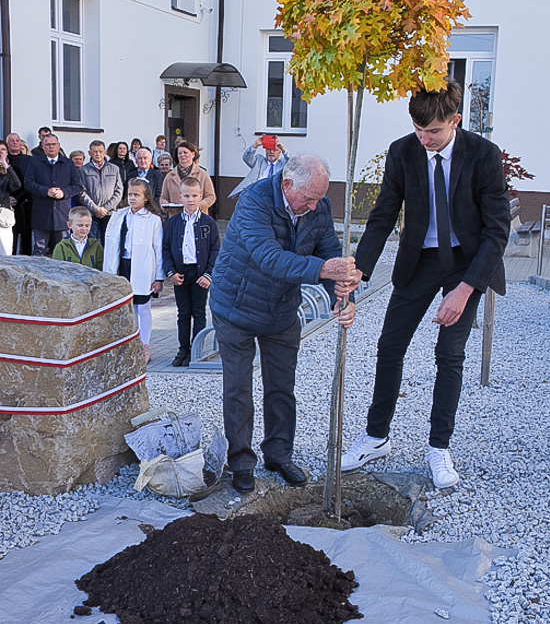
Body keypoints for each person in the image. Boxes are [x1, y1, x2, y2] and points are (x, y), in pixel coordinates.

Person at [338, 80, 510, 489]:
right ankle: (376, 437)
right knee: (389, 346)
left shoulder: (484, 155)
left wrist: (466, 289)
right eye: (418, 130)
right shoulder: (403, 152)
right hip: (418, 261)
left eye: (432, 131)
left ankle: (438, 448)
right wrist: (359, 269)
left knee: (449, 356)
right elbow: (382, 215)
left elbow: (497, 231)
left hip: (465, 264)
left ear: (455, 120)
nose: (424, 139)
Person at [210, 153, 357, 494]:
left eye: (320, 199)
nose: (314, 205)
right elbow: (269, 258)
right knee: (238, 390)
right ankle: (241, 462)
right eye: (308, 198)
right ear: (287, 184)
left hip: (281, 310)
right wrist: (323, 270)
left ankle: (278, 454)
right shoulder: (253, 202)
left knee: (281, 388)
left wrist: (343, 297)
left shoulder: (315, 207)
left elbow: (329, 253)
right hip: (235, 307)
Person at [103, 178, 164, 364]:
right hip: (123, 264)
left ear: (146, 198)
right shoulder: (119, 215)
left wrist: (159, 277)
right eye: (130, 194)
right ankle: (129, 344)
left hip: (143, 267)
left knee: (142, 307)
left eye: (136, 195)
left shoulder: (153, 220)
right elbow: (111, 244)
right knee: (125, 308)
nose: (132, 198)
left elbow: (158, 248)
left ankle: (145, 344)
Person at [163, 177, 220, 367]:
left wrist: (208, 275)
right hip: (181, 273)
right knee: (183, 313)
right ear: (180, 197)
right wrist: (170, 271)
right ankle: (183, 349)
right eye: (186, 196)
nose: (191, 200)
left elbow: (215, 250)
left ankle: (196, 350)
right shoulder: (173, 223)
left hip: (200, 274)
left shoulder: (208, 223)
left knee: (199, 313)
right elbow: (166, 249)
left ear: (201, 196)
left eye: (194, 196)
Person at [24, 133, 82, 256]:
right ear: (43, 147)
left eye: (53, 144)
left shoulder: (68, 163)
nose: (51, 147)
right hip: (41, 215)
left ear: (58, 146)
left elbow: (77, 186)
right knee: (39, 251)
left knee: (63, 251)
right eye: (48, 144)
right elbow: (28, 183)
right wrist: (46, 191)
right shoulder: (35, 162)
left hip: (62, 216)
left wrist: (64, 193)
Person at [78, 140, 123, 242]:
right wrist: (96, 209)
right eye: (94, 152)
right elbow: (81, 192)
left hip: (109, 213)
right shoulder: (83, 170)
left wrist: (105, 208)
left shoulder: (114, 169)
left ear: (105, 152)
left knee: (108, 241)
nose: (97, 154)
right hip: (91, 213)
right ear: (90, 153)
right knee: (91, 242)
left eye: (100, 151)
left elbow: (119, 191)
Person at [160, 141, 216, 216]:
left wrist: (198, 205)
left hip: (197, 217)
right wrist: (164, 203)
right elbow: (163, 197)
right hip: (176, 217)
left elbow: (211, 197)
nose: (182, 155)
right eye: (180, 153)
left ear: (193, 154)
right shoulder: (169, 176)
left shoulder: (203, 174)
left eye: (185, 152)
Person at [6, 132, 32, 254]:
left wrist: (19, 199)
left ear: (21, 143)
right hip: (7, 203)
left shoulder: (30, 160)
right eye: (12, 141)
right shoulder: (4, 161)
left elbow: (30, 181)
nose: (15, 142)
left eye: (17, 140)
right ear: (7, 144)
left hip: (26, 203)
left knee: (26, 237)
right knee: (10, 237)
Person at [0, 139, 21, 256]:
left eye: (3, 150)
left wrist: (5, 165)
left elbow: (16, 185)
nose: (0, 152)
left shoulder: (9, 170)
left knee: (5, 253)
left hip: (3, 215)